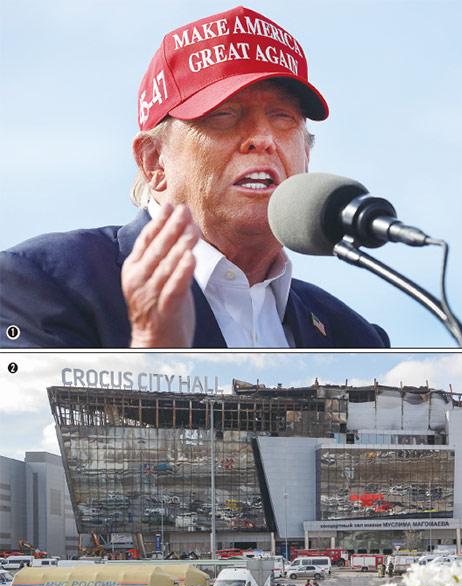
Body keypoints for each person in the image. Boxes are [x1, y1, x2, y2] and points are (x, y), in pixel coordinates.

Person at [0, 6, 389, 350]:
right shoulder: (39, 283)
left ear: (306, 155)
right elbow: (36, 431)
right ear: (154, 161)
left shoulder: (354, 337)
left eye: (283, 116)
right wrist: (154, 353)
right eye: (224, 115)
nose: (263, 139)